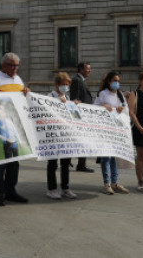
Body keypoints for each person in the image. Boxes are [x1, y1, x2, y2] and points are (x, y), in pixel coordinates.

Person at [0, 52, 31, 206]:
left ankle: (11, 190)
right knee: (1, 163)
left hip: (15, 126)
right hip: (2, 126)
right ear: (3, 65)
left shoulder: (18, 79)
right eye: (11, 65)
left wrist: (26, 93)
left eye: (17, 65)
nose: (15, 68)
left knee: (15, 162)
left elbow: (22, 99)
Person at [94, 71, 132, 195]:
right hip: (106, 129)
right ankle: (107, 184)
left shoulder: (120, 94)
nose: (117, 83)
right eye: (114, 81)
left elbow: (126, 110)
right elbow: (93, 108)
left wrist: (122, 108)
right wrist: (104, 107)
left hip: (117, 131)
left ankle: (115, 182)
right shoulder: (102, 94)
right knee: (106, 157)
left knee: (114, 157)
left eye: (118, 81)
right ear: (109, 81)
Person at [45, 72, 77, 200]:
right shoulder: (50, 96)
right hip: (53, 136)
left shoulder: (68, 98)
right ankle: (51, 189)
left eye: (67, 84)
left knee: (65, 163)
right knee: (52, 164)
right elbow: (46, 110)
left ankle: (65, 188)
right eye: (63, 84)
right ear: (57, 85)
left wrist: (74, 106)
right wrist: (58, 102)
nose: (65, 86)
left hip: (65, 136)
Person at [69, 62, 95, 173]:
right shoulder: (76, 80)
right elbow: (74, 98)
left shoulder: (82, 81)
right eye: (87, 69)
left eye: (90, 69)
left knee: (83, 140)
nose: (89, 71)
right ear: (81, 70)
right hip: (80, 116)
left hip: (85, 116)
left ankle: (80, 163)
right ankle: (77, 163)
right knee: (80, 140)